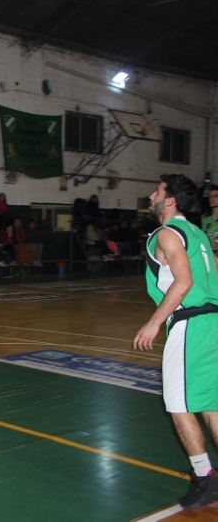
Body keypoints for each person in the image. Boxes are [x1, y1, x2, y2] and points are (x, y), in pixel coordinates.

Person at [133, 174, 218, 510]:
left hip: (190, 324)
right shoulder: (198, 234)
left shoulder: (167, 234)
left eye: (158, 191)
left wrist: (154, 323)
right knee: (211, 403)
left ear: (169, 201)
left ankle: (204, 478)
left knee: (178, 403)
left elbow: (182, 283)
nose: (152, 194)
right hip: (213, 321)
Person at [201, 185, 218, 264]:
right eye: (210, 196)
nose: (211, 199)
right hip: (209, 257)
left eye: (215, 196)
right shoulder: (205, 218)